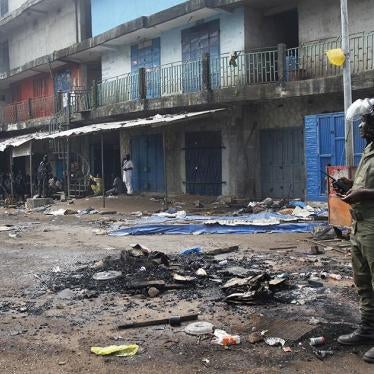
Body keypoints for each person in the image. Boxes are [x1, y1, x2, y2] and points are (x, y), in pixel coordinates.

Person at [334, 103, 374, 364]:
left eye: (366, 122)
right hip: (360, 226)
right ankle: (368, 328)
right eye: (361, 122)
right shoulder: (369, 150)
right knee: (363, 282)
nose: (361, 127)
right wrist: (351, 186)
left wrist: (362, 194)